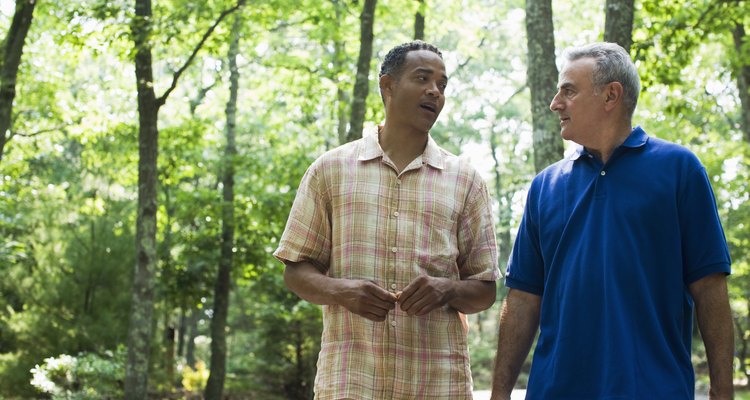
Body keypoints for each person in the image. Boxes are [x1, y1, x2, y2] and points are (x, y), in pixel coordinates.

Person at [491, 42, 734, 400]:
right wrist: (499, 394)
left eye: (568, 91)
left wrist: (723, 391)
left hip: (654, 390)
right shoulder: (545, 186)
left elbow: (710, 289)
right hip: (555, 391)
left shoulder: (680, 170)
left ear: (611, 96)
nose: (555, 103)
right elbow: (523, 298)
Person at [274, 40, 500, 400]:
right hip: (350, 382)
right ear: (388, 85)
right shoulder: (330, 170)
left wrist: (447, 289)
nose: (435, 92)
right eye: (422, 78)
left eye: (442, 84)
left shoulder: (466, 180)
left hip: (438, 385)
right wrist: (340, 291)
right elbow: (296, 271)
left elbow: (486, 289)